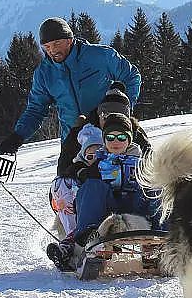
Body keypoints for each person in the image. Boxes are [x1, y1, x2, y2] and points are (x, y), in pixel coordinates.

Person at [0, 17, 141, 175]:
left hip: (111, 136)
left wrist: (122, 111)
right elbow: (36, 109)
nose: (51, 50)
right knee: (65, 188)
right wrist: (18, 136)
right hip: (72, 140)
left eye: (56, 43)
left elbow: (132, 76)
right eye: (46, 46)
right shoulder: (44, 73)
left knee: (120, 186)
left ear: (69, 40)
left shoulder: (99, 56)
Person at [46, 112, 164, 270]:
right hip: (107, 208)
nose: (116, 142)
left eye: (121, 137)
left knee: (155, 186)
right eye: (110, 137)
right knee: (92, 185)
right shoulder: (98, 161)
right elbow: (76, 176)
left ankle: (157, 242)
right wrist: (82, 172)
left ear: (129, 139)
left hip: (137, 207)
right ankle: (90, 240)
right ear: (104, 140)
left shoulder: (142, 161)